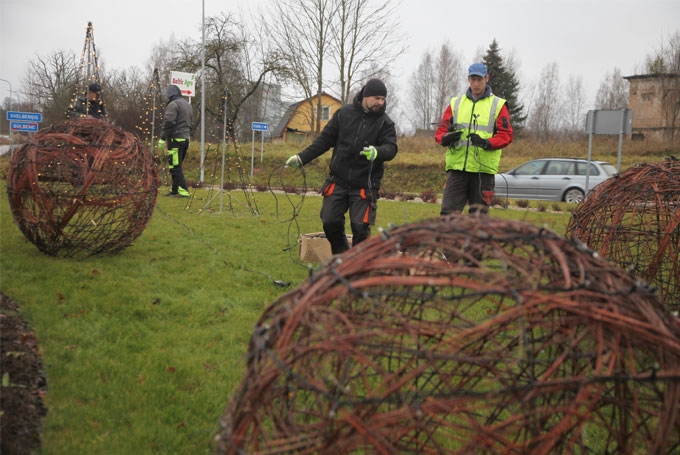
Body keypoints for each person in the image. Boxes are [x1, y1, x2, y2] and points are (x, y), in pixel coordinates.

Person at [286, 78, 398, 255]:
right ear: (366, 96)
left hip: (365, 184)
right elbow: (324, 141)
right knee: (330, 221)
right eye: (377, 98)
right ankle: (342, 256)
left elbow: (391, 148)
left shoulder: (385, 123)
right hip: (338, 180)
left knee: (360, 227)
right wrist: (301, 158)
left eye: (383, 99)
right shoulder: (343, 114)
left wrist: (378, 152)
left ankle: (357, 267)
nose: (380, 103)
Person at [434, 63, 513, 215]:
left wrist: (486, 142)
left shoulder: (498, 105)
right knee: (448, 216)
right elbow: (441, 131)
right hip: (457, 170)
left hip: (482, 172)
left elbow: (506, 135)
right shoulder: (455, 103)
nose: (476, 84)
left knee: (478, 221)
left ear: (487, 78)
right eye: (473, 79)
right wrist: (445, 138)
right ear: (468, 79)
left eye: (480, 79)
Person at [158, 85, 192, 197]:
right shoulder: (187, 105)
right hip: (185, 139)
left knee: (175, 166)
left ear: (171, 95)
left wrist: (162, 138)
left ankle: (183, 191)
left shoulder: (173, 105)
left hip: (175, 140)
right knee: (175, 166)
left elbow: (169, 122)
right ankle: (174, 190)